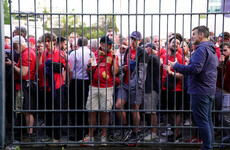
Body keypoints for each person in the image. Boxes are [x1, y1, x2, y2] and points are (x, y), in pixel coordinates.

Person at [168, 26, 218, 150]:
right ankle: (209, 145)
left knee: (202, 121)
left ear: (201, 35)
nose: (192, 37)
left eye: (194, 34)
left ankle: (207, 147)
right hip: (208, 89)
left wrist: (176, 66)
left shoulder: (201, 49)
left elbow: (195, 69)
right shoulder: (210, 48)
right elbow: (203, 66)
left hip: (200, 90)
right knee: (207, 120)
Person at [80, 36, 118, 145]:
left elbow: (114, 72)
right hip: (94, 87)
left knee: (105, 112)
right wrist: (88, 64)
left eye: (111, 44)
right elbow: (88, 72)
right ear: (101, 45)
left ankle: (103, 136)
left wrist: (115, 59)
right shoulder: (94, 54)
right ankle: (90, 136)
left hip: (107, 87)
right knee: (91, 111)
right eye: (108, 44)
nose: (111, 46)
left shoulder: (112, 55)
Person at [115, 31, 149, 143]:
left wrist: (138, 86)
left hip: (136, 86)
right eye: (132, 39)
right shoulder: (128, 50)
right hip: (125, 83)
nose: (133, 41)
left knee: (135, 110)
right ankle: (126, 129)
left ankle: (135, 133)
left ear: (139, 40)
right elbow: (127, 64)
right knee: (118, 106)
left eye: (135, 39)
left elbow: (142, 72)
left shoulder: (142, 52)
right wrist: (125, 68)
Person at [37, 32, 70, 142]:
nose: (46, 43)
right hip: (45, 86)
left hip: (57, 86)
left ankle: (57, 137)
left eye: (48, 41)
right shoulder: (42, 54)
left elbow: (66, 68)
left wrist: (64, 81)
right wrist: (40, 55)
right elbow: (38, 68)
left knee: (57, 111)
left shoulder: (60, 54)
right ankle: (49, 136)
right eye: (44, 41)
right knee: (47, 112)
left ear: (54, 42)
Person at [5, 35, 36, 142]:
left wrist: (12, 66)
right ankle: (27, 134)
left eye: (14, 46)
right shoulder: (27, 52)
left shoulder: (26, 54)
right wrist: (14, 64)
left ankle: (29, 135)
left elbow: (23, 72)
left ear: (19, 44)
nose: (14, 49)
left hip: (24, 85)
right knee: (25, 110)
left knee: (26, 110)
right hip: (25, 84)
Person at [161, 34, 184, 141]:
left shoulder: (180, 58)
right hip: (165, 88)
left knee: (176, 112)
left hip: (176, 90)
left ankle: (177, 133)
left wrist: (170, 73)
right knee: (168, 111)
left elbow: (182, 75)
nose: (176, 44)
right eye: (174, 42)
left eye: (178, 43)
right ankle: (174, 130)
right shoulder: (164, 57)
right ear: (168, 44)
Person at [68, 37, 92, 141]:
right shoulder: (91, 53)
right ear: (87, 44)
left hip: (76, 81)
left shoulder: (74, 53)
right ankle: (86, 132)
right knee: (86, 106)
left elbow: (70, 70)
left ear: (77, 44)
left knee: (75, 107)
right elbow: (92, 69)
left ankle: (78, 133)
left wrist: (68, 83)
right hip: (87, 81)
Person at [143, 42, 160, 142]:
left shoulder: (153, 58)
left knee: (152, 111)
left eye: (146, 49)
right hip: (149, 87)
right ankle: (152, 131)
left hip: (152, 88)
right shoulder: (153, 58)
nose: (145, 50)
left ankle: (154, 132)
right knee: (149, 111)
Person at [215, 42, 230, 143]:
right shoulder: (222, 61)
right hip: (220, 90)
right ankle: (227, 135)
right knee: (221, 115)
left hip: (228, 92)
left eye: (225, 50)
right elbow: (218, 74)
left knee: (225, 115)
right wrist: (220, 64)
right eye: (221, 50)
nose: (223, 53)